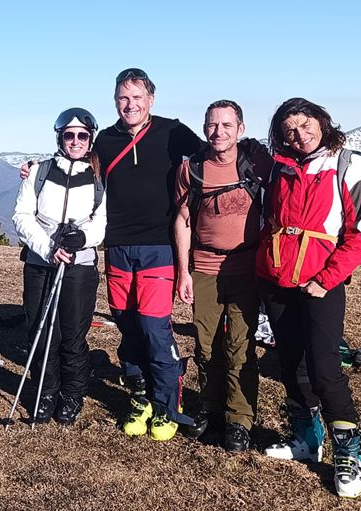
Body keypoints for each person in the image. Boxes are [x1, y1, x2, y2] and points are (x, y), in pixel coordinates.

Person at [256, 98, 361, 498]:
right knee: (291, 365)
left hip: (320, 284)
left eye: (306, 124)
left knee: (325, 369)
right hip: (278, 281)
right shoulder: (278, 168)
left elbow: (360, 235)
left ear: (322, 123)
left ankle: (348, 453)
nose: (300, 134)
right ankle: (307, 438)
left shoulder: (347, 165)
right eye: (289, 129)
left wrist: (326, 280)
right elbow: (266, 221)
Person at [95, 68, 201, 441]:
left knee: (155, 328)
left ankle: (167, 405)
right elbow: (78, 169)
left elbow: (214, 155)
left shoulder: (172, 130)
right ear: (115, 101)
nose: (131, 105)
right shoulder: (104, 141)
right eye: (124, 98)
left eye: (137, 98)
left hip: (159, 246)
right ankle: (139, 398)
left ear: (151, 100)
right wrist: (35, 170)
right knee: (127, 325)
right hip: (117, 246)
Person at [173, 100, 272, 452]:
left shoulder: (257, 162)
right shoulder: (191, 169)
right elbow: (183, 220)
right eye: (213, 125)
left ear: (240, 129)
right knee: (206, 344)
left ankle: (240, 419)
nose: (219, 132)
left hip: (246, 267)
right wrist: (183, 272)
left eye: (227, 125)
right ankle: (212, 409)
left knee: (241, 347)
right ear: (204, 128)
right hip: (205, 267)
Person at [12, 107, 106, 426]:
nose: (76, 141)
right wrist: (48, 248)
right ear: (60, 137)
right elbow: (22, 216)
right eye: (69, 135)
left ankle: (72, 394)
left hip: (80, 268)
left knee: (72, 334)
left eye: (82, 135)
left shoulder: (99, 176)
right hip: (41, 263)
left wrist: (81, 238)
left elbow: (102, 222)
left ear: (90, 138)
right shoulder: (39, 171)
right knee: (40, 328)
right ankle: (45, 391)